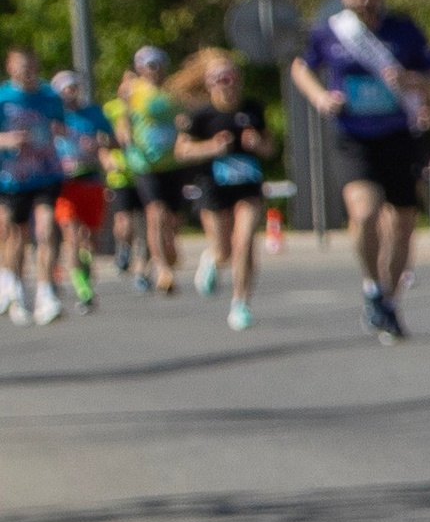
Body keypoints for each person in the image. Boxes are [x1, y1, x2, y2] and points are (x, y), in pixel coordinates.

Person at [292, 0, 430, 340]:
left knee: (404, 222)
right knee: (366, 212)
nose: (364, 0)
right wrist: (321, 98)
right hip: (353, 137)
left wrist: (412, 81)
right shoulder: (331, 32)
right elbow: (301, 68)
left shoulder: (403, 30)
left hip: (399, 135)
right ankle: (372, 284)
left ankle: (387, 301)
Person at [171, 49, 272, 332]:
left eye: (230, 77)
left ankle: (240, 303)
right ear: (209, 83)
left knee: (245, 242)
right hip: (213, 185)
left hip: (248, 185)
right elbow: (181, 151)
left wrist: (257, 144)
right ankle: (211, 260)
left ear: (238, 79)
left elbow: (269, 147)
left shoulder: (252, 109)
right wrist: (211, 147)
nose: (225, 83)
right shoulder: (200, 115)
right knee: (224, 250)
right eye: (219, 78)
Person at [0, 47, 70, 326]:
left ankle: (45, 292)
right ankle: (15, 288)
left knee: (46, 226)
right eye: (21, 66)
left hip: (46, 173)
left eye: (31, 66)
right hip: (13, 177)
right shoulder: (4, 97)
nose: (28, 72)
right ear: (10, 67)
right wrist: (6, 140)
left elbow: (62, 128)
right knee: (15, 235)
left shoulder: (50, 96)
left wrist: (57, 133)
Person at [113, 46, 184, 296]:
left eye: (157, 64)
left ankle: (164, 255)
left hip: (172, 162)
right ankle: (163, 270)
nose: (154, 70)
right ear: (140, 68)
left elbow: (183, 116)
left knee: (173, 221)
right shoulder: (133, 90)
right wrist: (125, 136)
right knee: (156, 213)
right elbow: (123, 117)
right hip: (144, 163)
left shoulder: (172, 90)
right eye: (148, 65)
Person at [50, 71, 111, 309]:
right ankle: (83, 289)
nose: (70, 92)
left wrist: (99, 143)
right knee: (72, 235)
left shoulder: (93, 113)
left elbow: (115, 139)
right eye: (64, 88)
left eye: (73, 87)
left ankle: (84, 272)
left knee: (91, 239)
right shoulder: (53, 116)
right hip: (64, 183)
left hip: (91, 179)